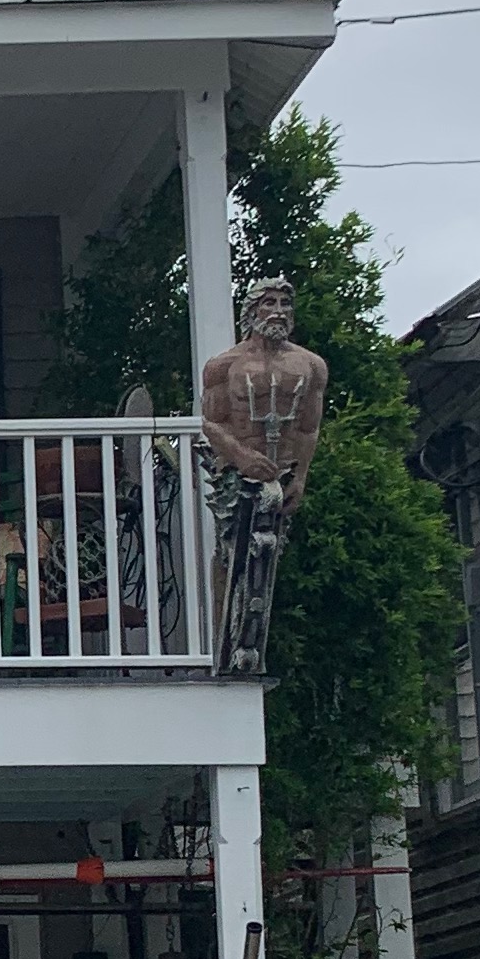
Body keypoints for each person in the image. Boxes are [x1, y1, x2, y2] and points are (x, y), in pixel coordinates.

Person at [198, 278, 328, 676]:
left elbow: (308, 428)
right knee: (233, 554)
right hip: (239, 475)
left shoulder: (311, 366)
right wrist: (242, 456)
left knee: (267, 557)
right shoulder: (224, 365)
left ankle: (251, 645)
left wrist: (300, 477)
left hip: (282, 472)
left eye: (285, 303)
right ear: (252, 311)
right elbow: (211, 422)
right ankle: (226, 642)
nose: (278, 311)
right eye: (269, 302)